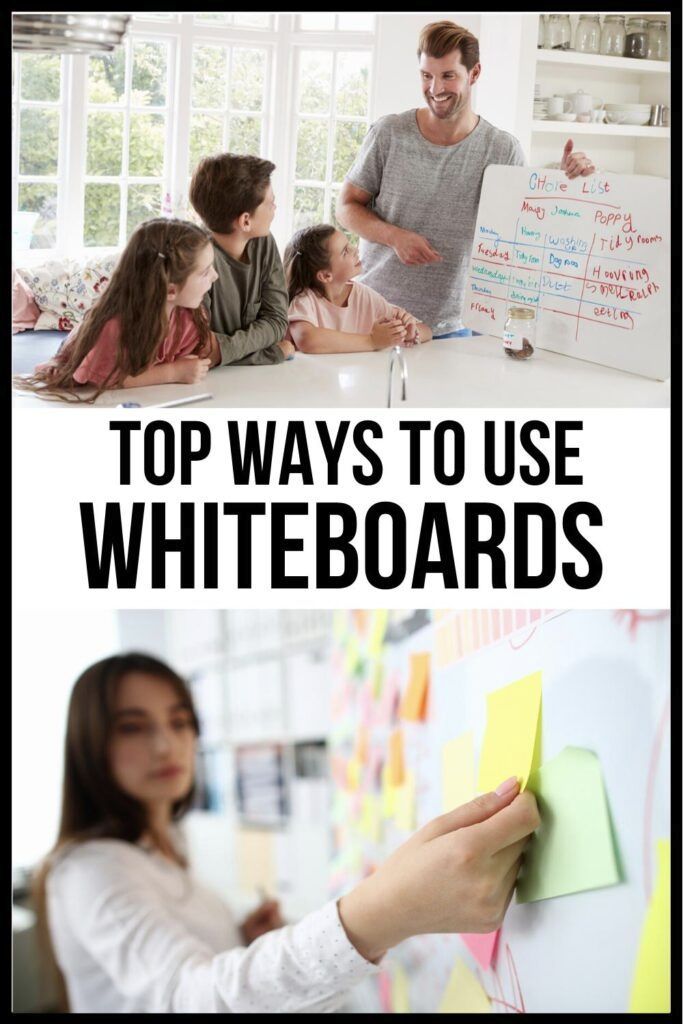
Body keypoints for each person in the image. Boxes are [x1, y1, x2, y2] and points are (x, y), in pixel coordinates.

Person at [37, 652, 540, 1013]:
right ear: (89, 743)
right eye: (133, 726)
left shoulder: (161, 846)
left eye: (180, 721)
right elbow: (185, 1001)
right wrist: (381, 912)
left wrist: (237, 938)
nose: (167, 745)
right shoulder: (91, 870)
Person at [336, 20, 597, 338]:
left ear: (474, 74)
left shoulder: (501, 149)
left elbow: (527, 226)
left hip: (453, 326)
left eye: (448, 76)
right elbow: (346, 207)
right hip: (375, 316)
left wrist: (566, 180)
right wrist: (394, 236)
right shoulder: (389, 133)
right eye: (426, 75)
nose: (434, 89)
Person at [15, 219, 220, 401]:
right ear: (171, 290)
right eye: (205, 272)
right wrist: (173, 373)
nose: (215, 276)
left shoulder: (189, 316)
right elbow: (109, 377)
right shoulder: (114, 325)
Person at [189, 153, 295, 366]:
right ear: (246, 220)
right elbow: (200, 350)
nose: (274, 209)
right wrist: (271, 353)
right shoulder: (193, 259)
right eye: (270, 203)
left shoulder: (264, 242)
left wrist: (224, 350)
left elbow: (276, 322)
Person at [284, 224, 432, 353]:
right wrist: (373, 341)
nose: (355, 249)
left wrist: (409, 333)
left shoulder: (364, 296)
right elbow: (307, 340)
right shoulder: (304, 299)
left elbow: (427, 331)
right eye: (345, 251)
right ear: (325, 276)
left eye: (350, 245)